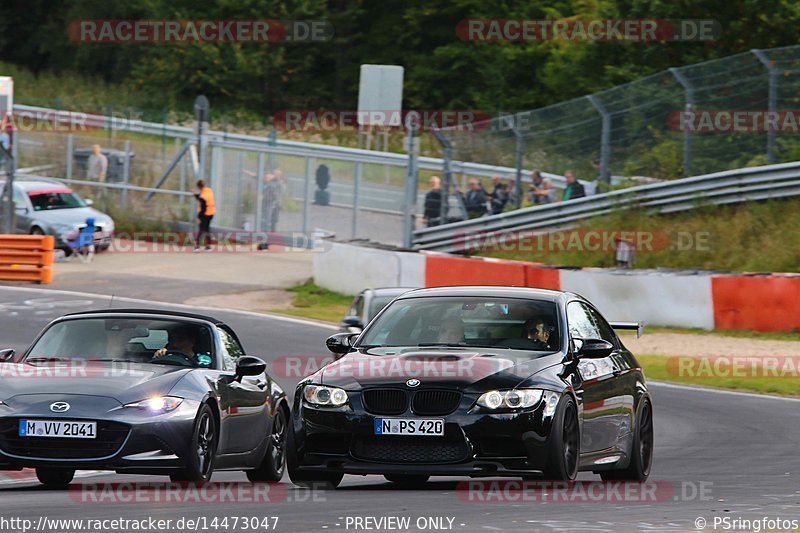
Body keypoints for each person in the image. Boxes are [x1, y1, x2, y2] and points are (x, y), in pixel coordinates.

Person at [194, 179, 215, 252]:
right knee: (207, 229)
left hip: (204, 213)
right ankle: (208, 246)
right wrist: (197, 195)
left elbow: (203, 206)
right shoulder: (209, 191)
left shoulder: (203, 196)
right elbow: (201, 198)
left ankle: (197, 246)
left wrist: (198, 216)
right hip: (211, 213)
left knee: (201, 229)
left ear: (199, 188)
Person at [263, 168, 284, 232]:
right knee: (268, 219)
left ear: (280, 175)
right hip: (269, 202)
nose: (275, 175)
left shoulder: (279, 183)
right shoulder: (271, 182)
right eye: (274, 174)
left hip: (275, 204)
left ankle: (272, 233)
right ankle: (268, 232)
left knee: (274, 220)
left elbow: (277, 194)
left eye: (277, 174)